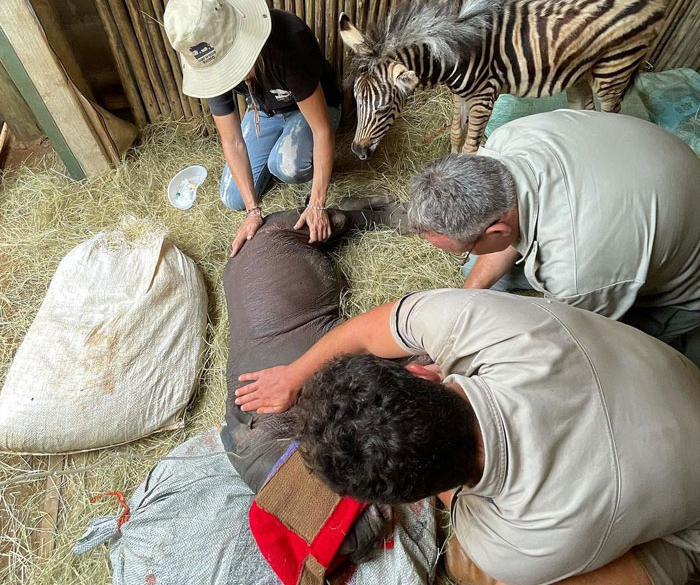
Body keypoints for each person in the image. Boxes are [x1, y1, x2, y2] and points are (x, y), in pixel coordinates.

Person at [235, 288, 700, 585]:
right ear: (419, 371)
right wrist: (299, 375)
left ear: (414, 499)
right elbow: (374, 327)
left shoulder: (506, 549)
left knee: (465, 569)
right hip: (675, 384)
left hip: (688, 521)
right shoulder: (477, 321)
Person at [407, 110, 700, 366]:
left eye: (463, 249)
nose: (466, 254)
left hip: (682, 286)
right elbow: (507, 228)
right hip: (648, 165)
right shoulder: (507, 139)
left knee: (629, 356)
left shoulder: (575, 272)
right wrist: (463, 307)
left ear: (497, 231)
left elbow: (572, 342)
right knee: (477, 274)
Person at [219, 197, 406, 562]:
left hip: (272, 242)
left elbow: (378, 343)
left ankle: (374, 209)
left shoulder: (296, 418)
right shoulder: (250, 447)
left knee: (327, 223)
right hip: (251, 270)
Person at [165, 0, 342, 254]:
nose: (229, 76)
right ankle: (271, 158)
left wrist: (317, 202)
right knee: (232, 197)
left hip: (312, 109)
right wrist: (252, 210)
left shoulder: (288, 41)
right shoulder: (207, 55)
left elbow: (321, 130)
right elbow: (232, 140)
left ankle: (288, 161)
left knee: (286, 167)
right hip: (264, 111)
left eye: (232, 64)